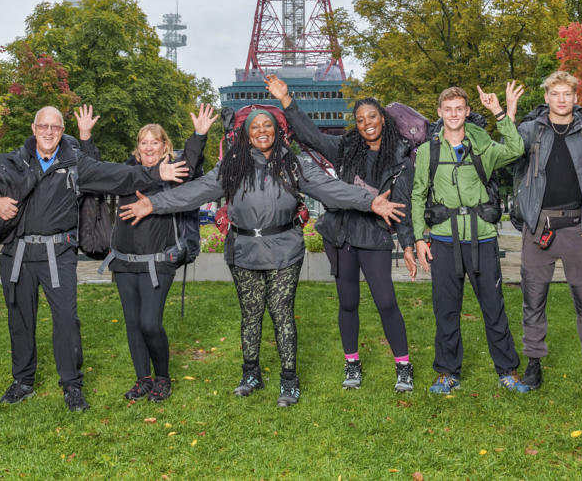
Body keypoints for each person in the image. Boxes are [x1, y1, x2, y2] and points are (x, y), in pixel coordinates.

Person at [120, 108, 404, 407]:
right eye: (255, 127)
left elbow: (331, 189)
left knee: (282, 314)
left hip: (285, 249)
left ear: (277, 130)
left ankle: (289, 379)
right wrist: (154, 203)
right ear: (246, 132)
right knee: (250, 315)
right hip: (244, 249)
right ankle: (251, 373)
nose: (261, 131)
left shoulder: (293, 164)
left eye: (267, 125)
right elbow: (195, 191)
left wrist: (370, 201)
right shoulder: (233, 164)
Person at [0, 106, 189, 412]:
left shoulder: (75, 163)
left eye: (55, 128)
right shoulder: (12, 161)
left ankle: (71, 384)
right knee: (20, 319)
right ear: (33, 128)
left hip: (58, 254)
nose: (48, 132)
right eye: (43, 126)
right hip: (17, 253)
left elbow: (118, 175)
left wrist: (155, 172)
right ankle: (22, 381)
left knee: (67, 321)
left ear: (61, 131)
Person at [265, 74, 418, 392]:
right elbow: (312, 137)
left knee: (386, 302)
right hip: (342, 236)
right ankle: (352, 364)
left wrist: (406, 245)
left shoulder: (400, 159)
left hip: (374, 237)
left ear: (383, 120)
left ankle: (403, 366)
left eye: (372, 117)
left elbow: (401, 206)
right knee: (347, 303)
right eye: (360, 120)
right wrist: (286, 100)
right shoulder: (346, 150)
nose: (367, 124)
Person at [480, 73, 582, 392]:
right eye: (555, 94)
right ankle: (533, 363)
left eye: (567, 94)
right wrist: (505, 114)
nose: (561, 99)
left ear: (575, 98)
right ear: (546, 98)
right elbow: (508, 155)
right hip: (538, 227)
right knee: (533, 298)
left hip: (577, 228)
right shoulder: (531, 131)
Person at [410, 85, 528, 395]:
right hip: (444, 240)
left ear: (466, 112)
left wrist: (500, 113)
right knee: (446, 310)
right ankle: (448, 372)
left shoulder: (482, 146)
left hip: (482, 239)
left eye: (459, 109)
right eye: (447, 109)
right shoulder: (427, 152)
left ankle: (507, 370)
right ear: (439, 113)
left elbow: (516, 149)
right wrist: (421, 238)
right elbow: (418, 194)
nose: (453, 114)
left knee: (494, 307)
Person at [105, 105, 215, 404]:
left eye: (155, 141)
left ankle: (162, 377)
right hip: (126, 262)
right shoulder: (126, 174)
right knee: (133, 323)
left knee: (150, 323)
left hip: (159, 261)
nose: (149, 146)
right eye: (144, 142)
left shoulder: (174, 173)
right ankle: (143, 378)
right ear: (137, 149)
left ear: (165, 146)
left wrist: (199, 135)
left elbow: (191, 164)